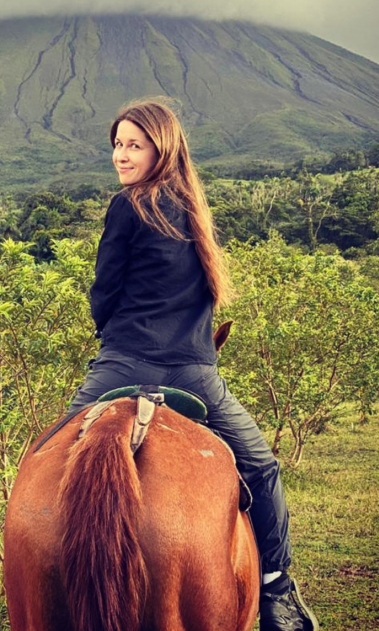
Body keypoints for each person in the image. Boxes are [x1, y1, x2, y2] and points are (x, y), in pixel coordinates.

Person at [68, 97, 319, 631]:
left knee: (54, 452)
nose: (121, 154)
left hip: (120, 365)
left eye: (133, 144)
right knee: (260, 466)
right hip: (192, 373)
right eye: (117, 144)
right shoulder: (196, 212)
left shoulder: (126, 205)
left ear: (162, 147)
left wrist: (115, 336)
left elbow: (103, 293)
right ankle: (277, 591)